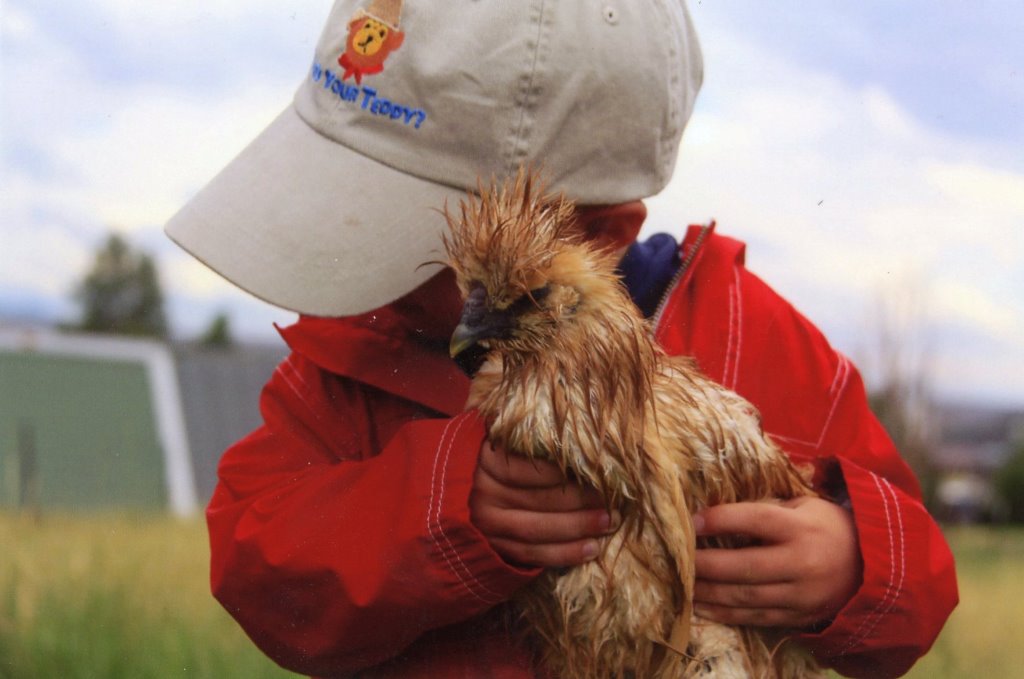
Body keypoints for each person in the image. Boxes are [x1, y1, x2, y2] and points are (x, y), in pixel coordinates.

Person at [165, 1, 957, 677]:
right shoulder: (359, 354)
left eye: (408, 232)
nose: (380, 270)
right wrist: (437, 505)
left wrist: (853, 562)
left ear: (592, 239)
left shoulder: (755, 340)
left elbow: (923, 575)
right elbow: (252, 558)